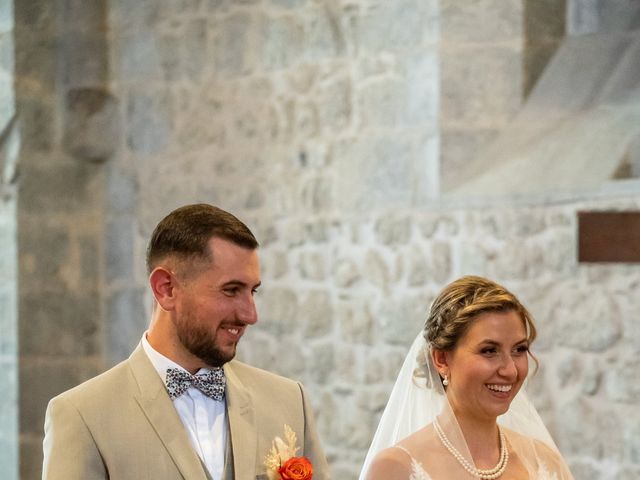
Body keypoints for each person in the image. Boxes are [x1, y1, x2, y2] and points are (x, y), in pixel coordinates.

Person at [43, 203, 330, 480]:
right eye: (231, 290)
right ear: (166, 289)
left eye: (252, 291)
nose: (250, 314)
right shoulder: (82, 415)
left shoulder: (289, 401)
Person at [360, 275, 574, 480]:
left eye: (519, 349)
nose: (510, 370)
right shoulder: (396, 468)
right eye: (489, 350)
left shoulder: (544, 462)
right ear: (442, 359)